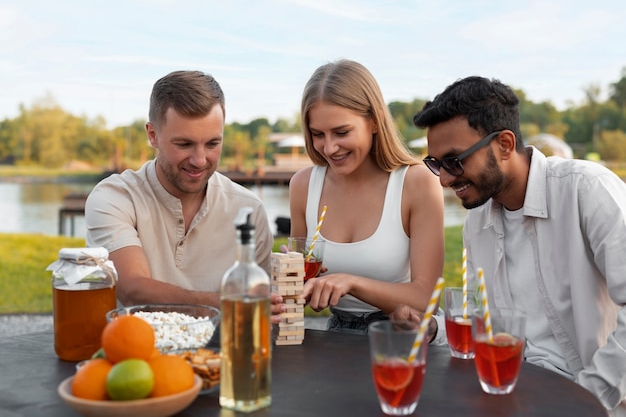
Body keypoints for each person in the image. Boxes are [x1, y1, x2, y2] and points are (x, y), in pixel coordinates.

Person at [401, 75, 626, 415]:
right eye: (435, 164)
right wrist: (433, 328)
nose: (444, 179)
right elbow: (484, 322)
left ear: (505, 144)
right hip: (510, 395)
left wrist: (587, 398)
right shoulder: (477, 222)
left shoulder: (586, 190)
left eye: (454, 161)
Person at [85, 70, 285, 321]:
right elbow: (132, 289)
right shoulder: (114, 198)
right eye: (184, 144)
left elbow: (264, 311)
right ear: (152, 135)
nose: (200, 160)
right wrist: (231, 304)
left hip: (223, 357)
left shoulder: (248, 210)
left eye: (212, 144)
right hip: (133, 353)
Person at [289, 59, 445, 337]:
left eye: (341, 132)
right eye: (317, 134)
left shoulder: (416, 183)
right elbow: (298, 288)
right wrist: (290, 283)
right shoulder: (303, 185)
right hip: (335, 338)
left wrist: (350, 283)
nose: (329, 147)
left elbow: (425, 298)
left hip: (400, 337)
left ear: (373, 122)